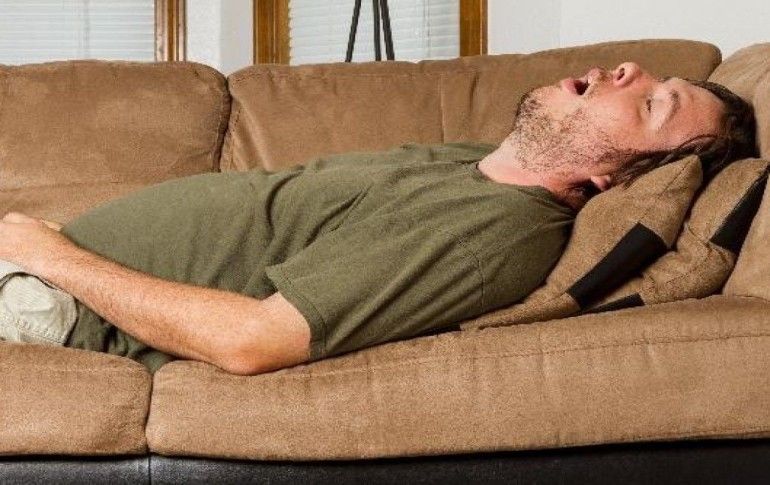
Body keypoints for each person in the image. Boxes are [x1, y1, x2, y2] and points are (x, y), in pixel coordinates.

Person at [0, 62, 755, 376]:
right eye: (645, 75)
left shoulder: (492, 232)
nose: (629, 70)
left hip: (48, 305)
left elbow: (252, 341)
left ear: (611, 178)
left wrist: (50, 255)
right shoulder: (477, 166)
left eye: (651, 103)